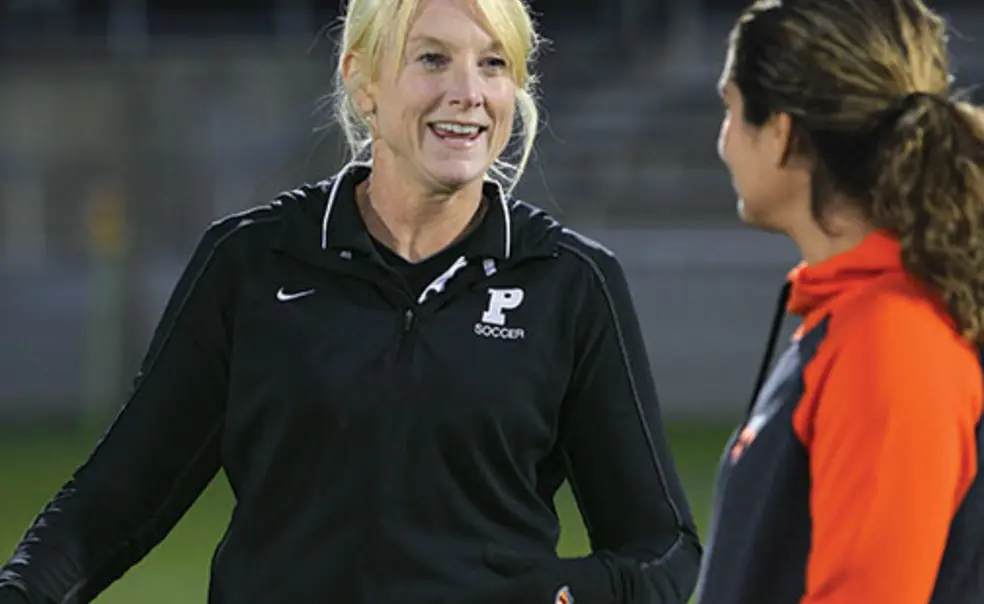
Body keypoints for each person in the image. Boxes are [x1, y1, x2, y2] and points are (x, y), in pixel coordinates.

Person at [0, 1, 703, 603]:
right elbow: (115, 501)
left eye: (493, 64)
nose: (468, 92)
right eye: (432, 59)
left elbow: (663, 548)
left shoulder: (570, 281)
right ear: (363, 84)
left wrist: (560, 593)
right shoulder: (251, 261)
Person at [694, 0, 984, 603]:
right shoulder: (850, 316)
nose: (722, 144)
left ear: (781, 132)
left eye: (730, 109)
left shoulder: (890, 341)